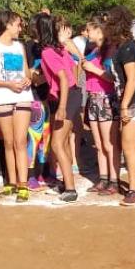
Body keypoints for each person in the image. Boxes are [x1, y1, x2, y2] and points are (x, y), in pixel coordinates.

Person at [0, 10, 34, 202]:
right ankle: (11, 183)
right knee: (8, 143)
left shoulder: (20, 46)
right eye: (18, 24)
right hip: (2, 97)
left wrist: (28, 80)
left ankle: (23, 185)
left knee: (21, 142)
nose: (20, 28)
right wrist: (8, 84)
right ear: (8, 24)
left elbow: (26, 72)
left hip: (23, 97)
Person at [104, 6, 135, 206]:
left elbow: (133, 79)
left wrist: (124, 105)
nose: (106, 27)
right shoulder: (129, 46)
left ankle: (133, 191)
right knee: (133, 145)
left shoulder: (126, 48)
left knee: (128, 146)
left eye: (108, 23)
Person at [40, 17, 83, 203]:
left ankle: (71, 189)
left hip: (66, 98)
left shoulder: (48, 52)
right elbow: (78, 61)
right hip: (69, 95)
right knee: (63, 142)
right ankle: (67, 183)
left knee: (57, 143)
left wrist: (63, 106)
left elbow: (64, 79)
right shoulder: (60, 49)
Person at [81, 18, 121, 196]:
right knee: (98, 143)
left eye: (89, 30)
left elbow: (113, 77)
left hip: (106, 98)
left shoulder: (109, 51)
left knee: (109, 142)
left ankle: (114, 180)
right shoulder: (94, 50)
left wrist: (94, 69)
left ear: (99, 31)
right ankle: (103, 178)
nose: (86, 33)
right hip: (93, 97)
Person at [25, 13, 52, 190]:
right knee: (34, 137)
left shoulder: (50, 47)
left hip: (48, 99)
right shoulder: (28, 47)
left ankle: (44, 172)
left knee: (46, 137)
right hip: (34, 98)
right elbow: (29, 74)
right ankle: (31, 175)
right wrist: (48, 78)